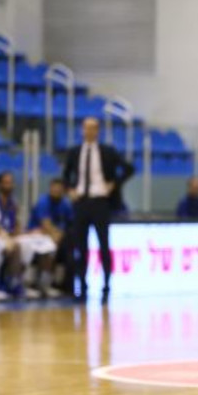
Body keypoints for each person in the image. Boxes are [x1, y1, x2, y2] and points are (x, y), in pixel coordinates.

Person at [63, 117, 135, 303]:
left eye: (93, 128)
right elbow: (65, 176)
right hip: (81, 202)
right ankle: (82, 287)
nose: (89, 131)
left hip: (101, 202)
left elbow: (129, 168)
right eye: (86, 128)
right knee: (81, 246)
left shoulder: (107, 151)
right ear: (82, 130)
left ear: (98, 131)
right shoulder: (74, 152)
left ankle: (106, 286)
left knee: (103, 245)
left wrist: (114, 184)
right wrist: (70, 190)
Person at [29, 178, 75, 295]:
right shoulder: (43, 202)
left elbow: (70, 224)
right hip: (37, 235)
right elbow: (45, 224)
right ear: (50, 189)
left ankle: (61, 284)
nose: (56, 191)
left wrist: (60, 234)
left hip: (57, 237)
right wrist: (56, 235)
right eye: (54, 189)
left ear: (63, 191)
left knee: (68, 248)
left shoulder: (65, 204)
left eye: (59, 189)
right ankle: (41, 283)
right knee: (50, 246)